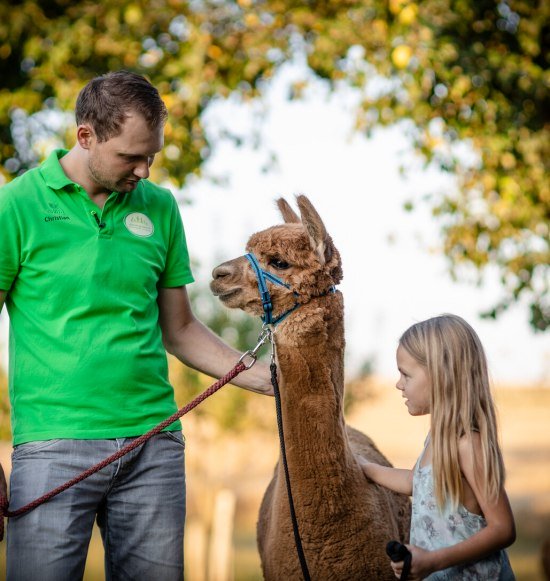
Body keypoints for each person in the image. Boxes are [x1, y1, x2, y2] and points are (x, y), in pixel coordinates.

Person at [0, 70, 271, 580]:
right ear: (86, 136)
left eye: (152, 156)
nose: (144, 170)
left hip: (154, 446)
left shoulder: (161, 207)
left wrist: (268, 378)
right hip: (53, 447)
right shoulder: (17, 206)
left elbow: (181, 329)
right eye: (130, 156)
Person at [359, 314, 516, 580]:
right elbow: (417, 482)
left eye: (405, 374)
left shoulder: (469, 444)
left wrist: (433, 561)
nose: (398, 384)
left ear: (441, 375)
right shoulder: (437, 438)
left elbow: (503, 529)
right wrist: (365, 468)